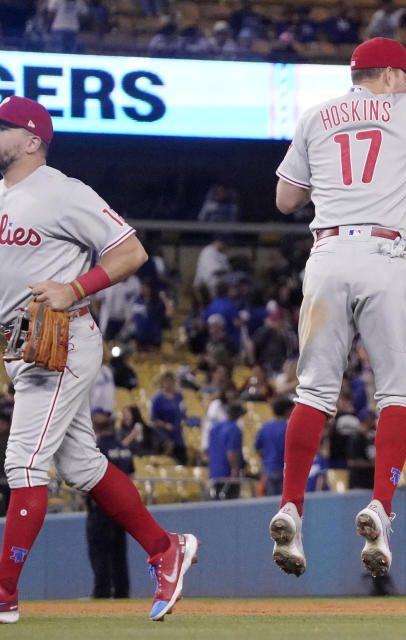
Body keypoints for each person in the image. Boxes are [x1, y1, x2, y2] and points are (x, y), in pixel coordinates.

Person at [267, 32, 406, 581]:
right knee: (396, 392)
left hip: (328, 252)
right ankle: (380, 508)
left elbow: (286, 199)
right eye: (403, 75)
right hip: (385, 253)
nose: (405, 82)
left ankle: (292, 503)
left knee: (314, 392)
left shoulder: (317, 116)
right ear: (390, 76)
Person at [0, 96, 197, 624]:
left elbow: (131, 252)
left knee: (22, 463)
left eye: (4, 126)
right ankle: (165, 548)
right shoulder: (3, 194)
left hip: (60, 339)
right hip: (21, 346)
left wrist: (74, 286)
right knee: (81, 464)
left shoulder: (63, 191)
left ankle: (4, 595)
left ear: (32, 140)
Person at [86, 410, 133, 599]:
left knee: (99, 552)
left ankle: (102, 592)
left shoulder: (96, 449)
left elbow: (89, 480)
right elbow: (131, 477)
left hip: (101, 508)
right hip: (122, 507)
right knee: (119, 553)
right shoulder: (123, 448)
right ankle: (122, 592)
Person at [255, 397, 295, 496]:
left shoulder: (265, 427)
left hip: (268, 469)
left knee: (271, 503)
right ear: (287, 411)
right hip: (284, 471)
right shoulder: (289, 428)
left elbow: (257, 447)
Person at [207, 402, 246, 500]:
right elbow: (231, 452)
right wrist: (235, 469)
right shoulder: (234, 429)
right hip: (228, 474)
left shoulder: (215, 427)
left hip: (214, 472)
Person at [149, 372, 187, 465]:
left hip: (177, 436)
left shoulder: (179, 396)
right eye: (167, 381)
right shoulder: (157, 399)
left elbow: (182, 412)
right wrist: (165, 425)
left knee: (182, 462)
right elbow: (153, 419)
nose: (169, 384)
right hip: (164, 436)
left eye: (171, 381)